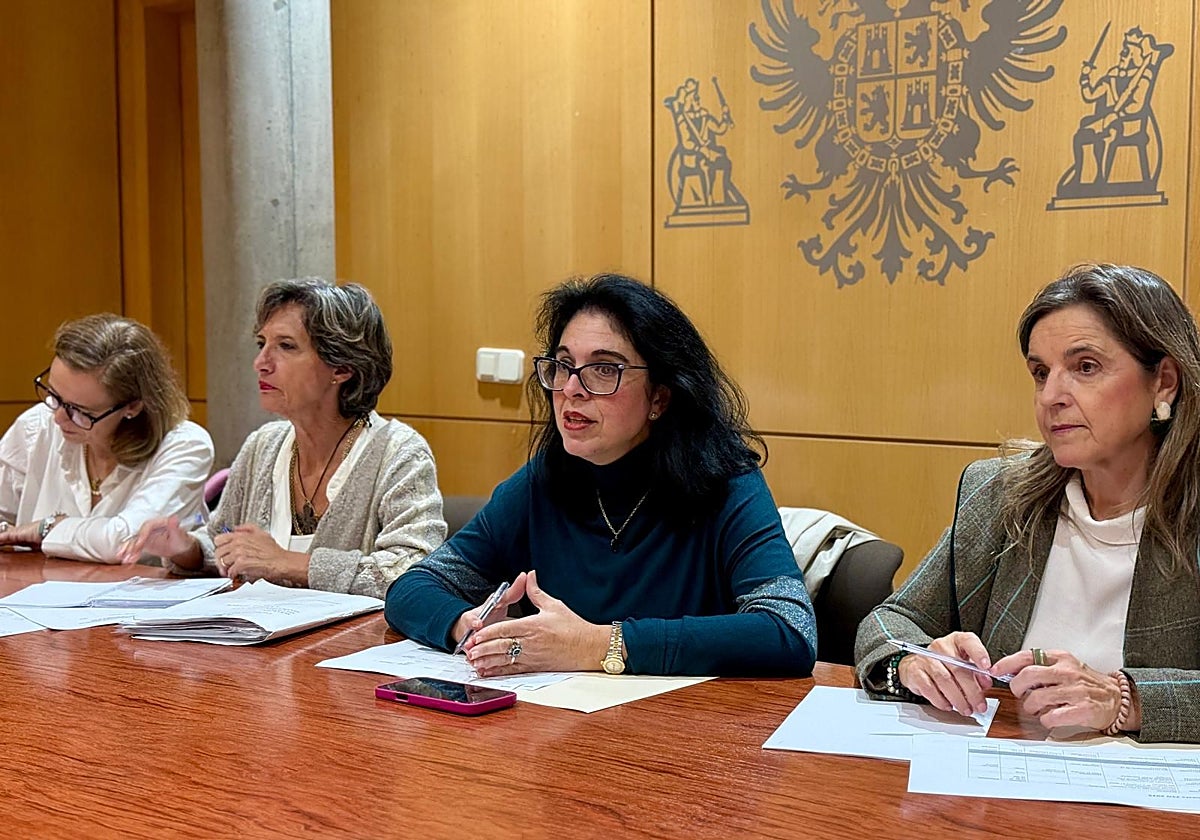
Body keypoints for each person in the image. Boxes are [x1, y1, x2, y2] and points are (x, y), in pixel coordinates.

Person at [386, 273, 816, 677]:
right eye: (562, 365)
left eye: (604, 369)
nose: (572, 388)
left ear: (661, 398)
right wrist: (470, 627)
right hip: (564, 733)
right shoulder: (542, 482)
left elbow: (789, 630)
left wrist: (597, 645)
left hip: (688, 734)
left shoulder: (726, 484)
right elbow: (413, 587)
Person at [856, 263, 1200, 743]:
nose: (1052, 396)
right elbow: (891, 622)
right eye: (1041, 372)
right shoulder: (999, 494)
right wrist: (914, 661)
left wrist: (1126, 699)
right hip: (1000, 787)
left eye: (1085, 367)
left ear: (1164, 382)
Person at [121, 278, 445, 599]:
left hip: (351, 647)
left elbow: (414, 571)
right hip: (255, 641)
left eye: (286, 346)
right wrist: (186, 549)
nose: (260, 363)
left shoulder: (398, 453)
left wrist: (287, 563)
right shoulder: (263, 445)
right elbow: (224, 539)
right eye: (262, 344)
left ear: (342, 368)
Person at [0, 314, 213, 562]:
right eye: (54, 396)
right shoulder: (36, 426)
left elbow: (124, 542)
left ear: (132, 407)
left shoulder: (185, 446)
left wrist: (47, 528)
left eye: (80, 411)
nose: (58, 417)